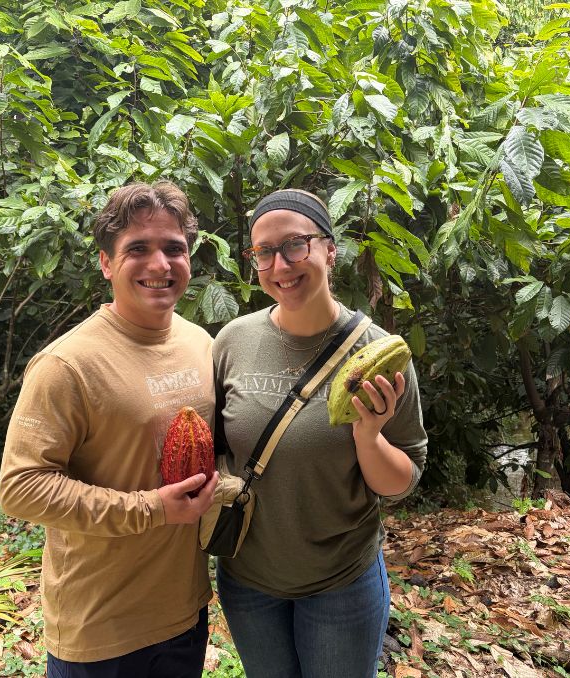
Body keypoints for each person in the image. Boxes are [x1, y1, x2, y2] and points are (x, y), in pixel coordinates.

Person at [0, 181, 219, 678]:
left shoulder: (201, 344)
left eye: (174, 248)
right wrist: (150, 509)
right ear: (105, 263)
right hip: (100, 626)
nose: (160, 265)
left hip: (184, 610)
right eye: (137, 249)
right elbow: (20, 488)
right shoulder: (67, 364)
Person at [212, 189, 428, 678]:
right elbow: (216, 451)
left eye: (295, 244)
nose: (280, 264)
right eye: (263, 252)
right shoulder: (233, 341)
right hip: (248, 580)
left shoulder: (380, 352)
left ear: (331, 250)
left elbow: (403, 479)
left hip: (340, 582)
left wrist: (369, 435)